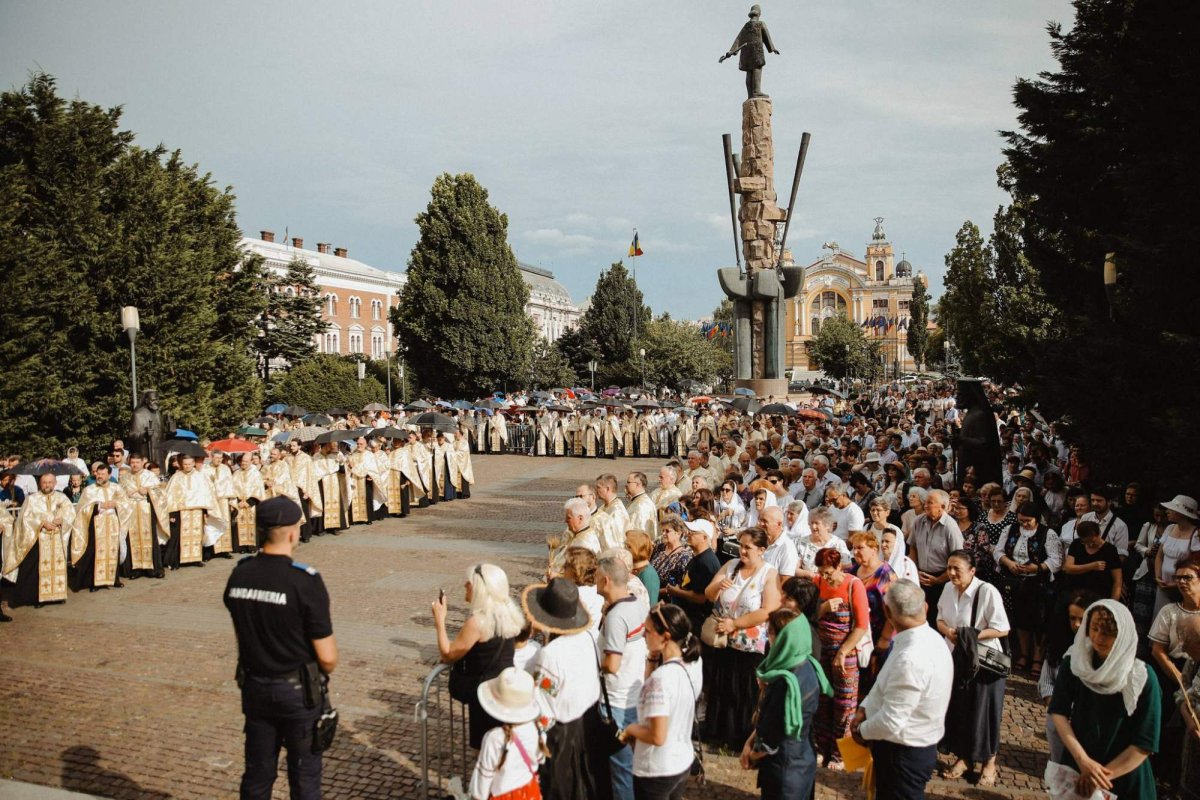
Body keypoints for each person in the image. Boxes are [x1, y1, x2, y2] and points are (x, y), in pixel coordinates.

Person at [223, 496, 338, 800]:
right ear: (291, 533)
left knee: (258, 776)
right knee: (304, 778)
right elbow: (328, 658)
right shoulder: (304, 581)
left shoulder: (240, 573)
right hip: (297, 692)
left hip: (255, 686)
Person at [850, 580, 954, 800]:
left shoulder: (911, 657)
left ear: (887, 612)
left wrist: (861, 731)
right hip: (906, 748)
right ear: (925, 608)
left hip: (903, 752)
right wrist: (865, 707)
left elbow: (891, 721)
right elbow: (885, 682)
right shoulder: (930, 639)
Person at [1049, 600, 1160, 800]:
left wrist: (1098, 777)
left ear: (1122, 635)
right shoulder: (1075, 663)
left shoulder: (1141, 676)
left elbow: (1145, 743)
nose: (1099, 637)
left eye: (1108, 632)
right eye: (1095, 628)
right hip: (1080, 765)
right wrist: (1084, 762)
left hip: (1124, 775)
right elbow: (1058, 712)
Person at [524, 577, 604, 800]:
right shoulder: (590, 638)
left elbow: (544, 703)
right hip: (587, 724)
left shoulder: (550, 654)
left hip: (561, 735)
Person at [935, 550, 1010, 786]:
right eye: (949, 568)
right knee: (962, 709)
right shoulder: (948, 588)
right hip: (957, 658)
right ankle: (964, 757)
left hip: (985, 664)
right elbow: (939, 618)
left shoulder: (986, 591)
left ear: (972, 571)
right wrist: (949, 632)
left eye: (957, 568)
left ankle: (989, 763)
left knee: (986, 713)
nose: (952, 573)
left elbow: (1002, 628)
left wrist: (972, 635)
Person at [702, 527, 781, 750]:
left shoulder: (769, 573)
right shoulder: (730, 566)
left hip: (748, 643)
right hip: (723, 638)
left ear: (762, 550)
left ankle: (740, 737)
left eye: (748, 547)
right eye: (741, 546)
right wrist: (719, 586)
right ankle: (718, 733)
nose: (743, 551)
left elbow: (768, 610)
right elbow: (708, 594)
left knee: (744, 689)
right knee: (721, 685)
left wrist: (735, 624)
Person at [740, 609, 829, 799]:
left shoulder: (784, 683)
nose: (767, 638)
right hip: (803, 759)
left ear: (784, 638)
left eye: (770, 633)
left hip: (784, 769)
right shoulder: (807, 663)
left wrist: (751, 753)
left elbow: (771, 737)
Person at [433, 563, 523, 749]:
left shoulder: (478, 622)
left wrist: (440, 621)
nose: (465, 585)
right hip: (505, 687)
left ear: (480, 589)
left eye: (469, 583)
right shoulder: (508, 613)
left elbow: (449, 654)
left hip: (485, 694)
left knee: (485, 747)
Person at [619, 602, 702, 800]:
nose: (643, 635)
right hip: (680, 760)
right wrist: (652, 659)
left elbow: (657, 736)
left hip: (656, 768)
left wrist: (630, 730)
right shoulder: (694, 662)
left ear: (665, 636)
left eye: (647, 631)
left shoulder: (662, 680)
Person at [596, 552, 650, 800]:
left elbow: (613, 664)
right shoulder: (635, 602)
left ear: (606, 580)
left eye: (596, 578)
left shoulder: (617, 617)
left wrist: (594, 664)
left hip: (616, 700)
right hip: (633, 692)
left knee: (620, 771)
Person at [812, 547, 870, 768]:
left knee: (845, 704)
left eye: (828, 572)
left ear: (838, 566)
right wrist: (823, 607)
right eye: (822, 572)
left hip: (845, 653)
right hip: (822, 650)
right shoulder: (818, 583)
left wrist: (843, 651)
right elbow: (810, 614)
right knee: (823, 701)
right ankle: (821, 748)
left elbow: (861, 625)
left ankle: (839, 753)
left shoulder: (853, 585)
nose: (825, 577)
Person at [993, 502, 1062, 675]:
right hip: (1014, 581)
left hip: (1037, 583)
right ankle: (1023, 654)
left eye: (1027, 521)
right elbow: (998, 551)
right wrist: (1009, 563)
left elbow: (1056, 559)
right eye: (1021, 520)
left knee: (1038, 621)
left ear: (1036, 519)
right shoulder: (1010, 529)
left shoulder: (1047, 533)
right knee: (1019, 619)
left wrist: (1037, 568)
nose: (1023, 524)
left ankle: (1038, 658)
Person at [1040, 590, 1100, 763]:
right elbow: (1047, 681)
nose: (1076, 624)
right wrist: (1057, 705)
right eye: (1072, 618)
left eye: (1082, 619)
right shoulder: (1059, 643)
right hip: (1060, 717)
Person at [469, 667, 546, 800]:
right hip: (529, 791)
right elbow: (540, 758)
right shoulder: (537, 729)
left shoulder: (494, 738)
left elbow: (483, 779)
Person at [3, 472, 76, 608]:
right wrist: (42, 523)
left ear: (54, 483)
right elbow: (24, 518)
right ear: (39, 484)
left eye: (50, 482)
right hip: (37, 539)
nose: (47, 485)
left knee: (57, 566)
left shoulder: (62, 498)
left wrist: (62, 520)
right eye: (44, 482)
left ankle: (56, 596)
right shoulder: (32, 499)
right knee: (35, 570)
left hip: (56, 540)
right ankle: (38, 598)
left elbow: (70, 513)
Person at [70, 463, 129, 592]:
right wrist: (98, 506)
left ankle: (114, 579)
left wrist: (116, 503)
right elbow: (82, 509)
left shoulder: (117, 488)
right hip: (96, 524)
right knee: (95, 552)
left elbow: (126, 504)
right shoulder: (89, 489)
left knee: (113, 551)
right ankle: (95, 582)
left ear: (109, 474)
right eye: (98, 473)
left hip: (113, 524)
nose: (99, 476)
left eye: (102, 474)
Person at [908, 489, 963, 625]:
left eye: (930, 503)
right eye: (925, 502)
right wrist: (915, 572)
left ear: (943, 507)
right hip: (920, 576)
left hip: (943, 579)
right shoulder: (919, 521)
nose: (925, 505)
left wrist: (938, 580)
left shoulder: (950, 527)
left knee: (939, 619)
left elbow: (958, 559)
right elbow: (913, 546)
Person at [162, 454, 222, 569]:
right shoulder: (176, 477)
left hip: (197, 511)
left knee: (197, 535)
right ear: (181, 464)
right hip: (180, 511)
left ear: (194, 463)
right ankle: (177, 560)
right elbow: (170, 496)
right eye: (185, 464)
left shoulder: (200, 476)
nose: (187, 466)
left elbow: (207, 494)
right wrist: (171, 513)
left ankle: (195, 559)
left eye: (189, 464)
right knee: (178, 536)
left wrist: (206, 511)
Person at [848, 532, 895, 679]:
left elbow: (894, 610)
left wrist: (884, 639)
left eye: (860, 548)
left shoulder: (885, 574)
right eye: (854, 548)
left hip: (880, 637)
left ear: (874, 550)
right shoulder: (854, 571)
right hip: (859, 637)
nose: (855, 552)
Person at [661, 518, 720, 634]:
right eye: (689, 531)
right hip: (687, 618)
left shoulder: (706, 563)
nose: (688, 534)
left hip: (696, 622)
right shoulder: (698, 557)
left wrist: (676, 592)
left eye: (693, 532)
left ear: (704, 537)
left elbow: (701, 598)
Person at [1154, 495, 1200, 618]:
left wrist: (1176, 584)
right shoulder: (1169, 528)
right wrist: (1158, 576)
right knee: (1161, 617)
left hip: (1183, 587)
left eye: (1172, 509)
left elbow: (1196, 567)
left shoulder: (1196, 535)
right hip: (1163, 584)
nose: (1167, 511)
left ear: (1182, 513)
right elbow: (1159, 556)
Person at [1063, 520, 1123, 600]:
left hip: (1100, 594)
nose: (1090, 544)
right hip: (1077, 594)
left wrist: (1112, 604)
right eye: (1086, 542)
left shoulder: (1110, 550)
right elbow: (1068, 568)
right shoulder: (1076, 544)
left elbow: (1117, 581)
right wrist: (1092, 566)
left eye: (1093, 541)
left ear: (1098, 534)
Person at [648, 517, 691, 596]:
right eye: (663, 531)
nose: (663, 534)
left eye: (667, 531)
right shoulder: (660, 547)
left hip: (664, 599)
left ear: (678, 533)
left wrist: (652, 592)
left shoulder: (684, 557)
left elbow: (678, 587)